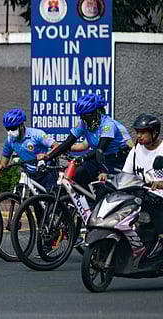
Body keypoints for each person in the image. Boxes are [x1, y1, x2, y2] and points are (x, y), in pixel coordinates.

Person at [41, 93, 133, 190]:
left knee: (104, 188)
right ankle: (86, 203)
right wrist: (47, 159)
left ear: (96, 112)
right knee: (76, 176)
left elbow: (100, 149)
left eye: (87, 115)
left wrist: (82, 158)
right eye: (82, 116)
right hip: (97, 158)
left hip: (114, 160)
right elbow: (67, 143)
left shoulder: (108, 125)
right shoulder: (83, 123)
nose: (84, 119)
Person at [122, 114, 163, 259]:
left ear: (154, 133)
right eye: (137, 132)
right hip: (140, 194)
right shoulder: (136, 150)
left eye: (143, 132)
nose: (139, 136)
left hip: (159, 197)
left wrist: (161, 183)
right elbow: (125, 173)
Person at [0, 108, 59, 192]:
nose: (10, 132)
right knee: (36, 203)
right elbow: (5, 160)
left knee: (51, 200)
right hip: (32, 174)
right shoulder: (10, 140)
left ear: (21, 125)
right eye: (8, 129)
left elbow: (56, 146)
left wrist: (46, 155)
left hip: (48, 171)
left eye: (13, 128)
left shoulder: (36, 134)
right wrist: (0, 167)